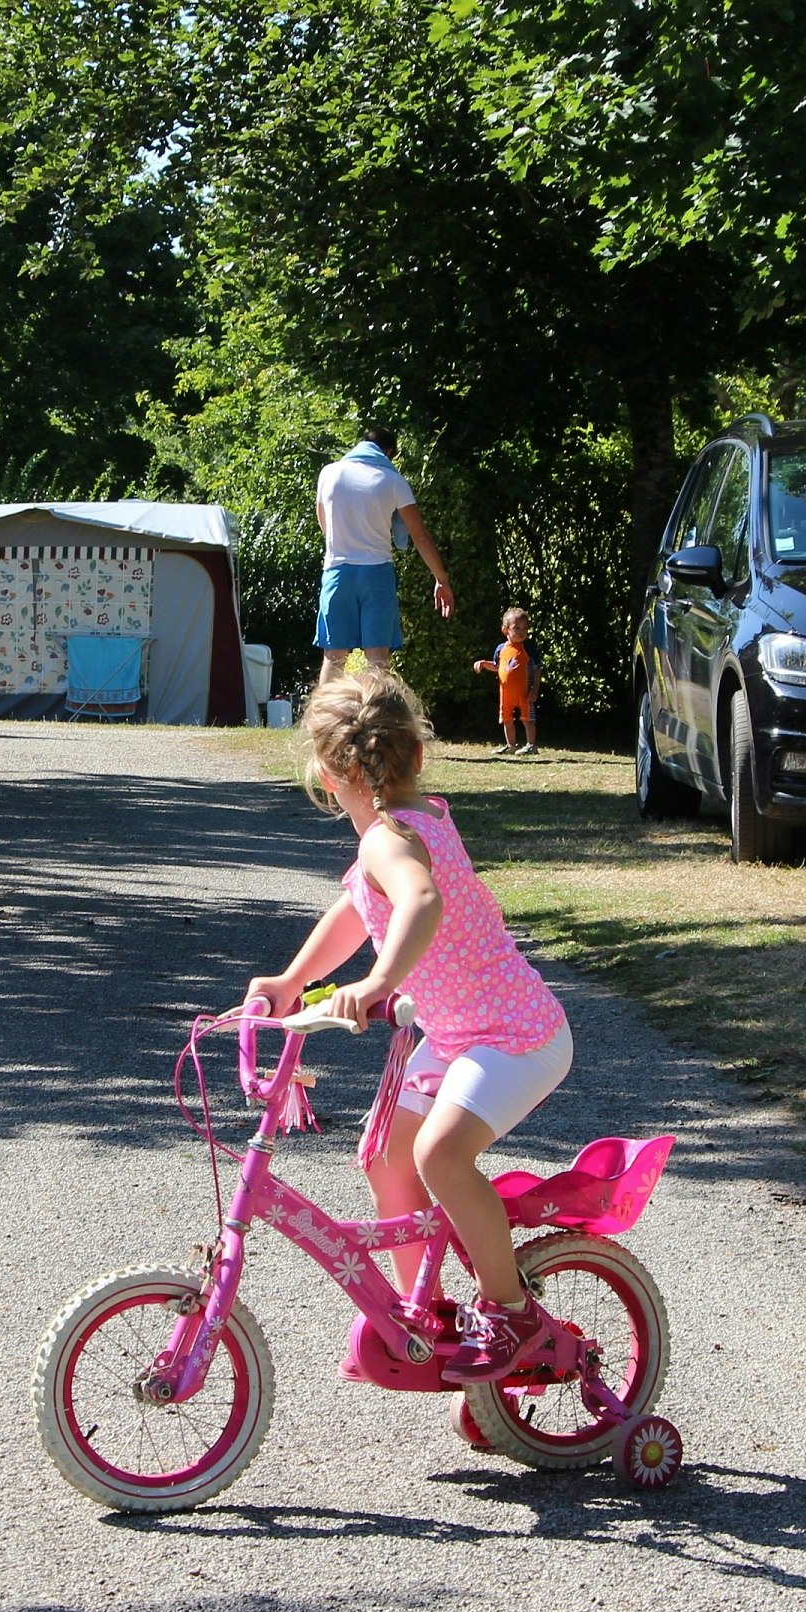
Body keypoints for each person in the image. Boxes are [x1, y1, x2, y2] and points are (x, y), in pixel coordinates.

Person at [246, 671, 574, 1383]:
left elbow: (419, 900)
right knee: (386, 1155)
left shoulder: (388, 842)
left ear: (331, 775)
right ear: (415, 756)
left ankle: (511, 1310)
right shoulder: (408, 823)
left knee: (438, 1155)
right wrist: (292, 981)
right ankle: (416, 1314)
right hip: (465, 1035)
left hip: (515, 1036)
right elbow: (361, 910)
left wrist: (377, 983)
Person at [314, 425, 455, 683]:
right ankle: (378, 720)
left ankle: (321, 723)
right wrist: (441, 580)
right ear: (388, 452)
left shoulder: (329, 473)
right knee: (378, 657)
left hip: (336, 572)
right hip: (376, 573)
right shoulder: (393, 480)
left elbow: (324, 523)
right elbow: (420, 536)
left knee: (334, 656)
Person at [473, 607, 538, 756]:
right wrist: (483, 663)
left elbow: (537, 669)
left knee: (527, 718)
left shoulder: (528, 648)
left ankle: (531, 745)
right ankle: (511, 745)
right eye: (516, 628)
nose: (521, 632)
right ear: (505, 630)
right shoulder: (501, 649)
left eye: (525, 628)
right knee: (507, 719)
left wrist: (534, 689)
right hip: (506, 693)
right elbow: (497, 666)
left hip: (525, 691)